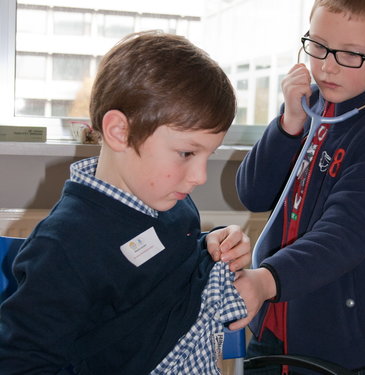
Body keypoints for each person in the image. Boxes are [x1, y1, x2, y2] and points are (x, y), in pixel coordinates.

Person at [0, 31, 252, 374]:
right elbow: (23, 361)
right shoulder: (65, 247)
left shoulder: (171, 204)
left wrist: (212, 247)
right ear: (120, 132)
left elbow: (171, 270)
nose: (199, 176)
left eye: (208, 155)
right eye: (187, 153)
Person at [235, 0, 365, 374]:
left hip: (335, 334)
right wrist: (289, 122)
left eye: (350, 54)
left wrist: (266, 281)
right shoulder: (311, 107)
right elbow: (253, 194)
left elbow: (344, 235)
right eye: (317, 46)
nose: (327, 65)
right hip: (274, 317)